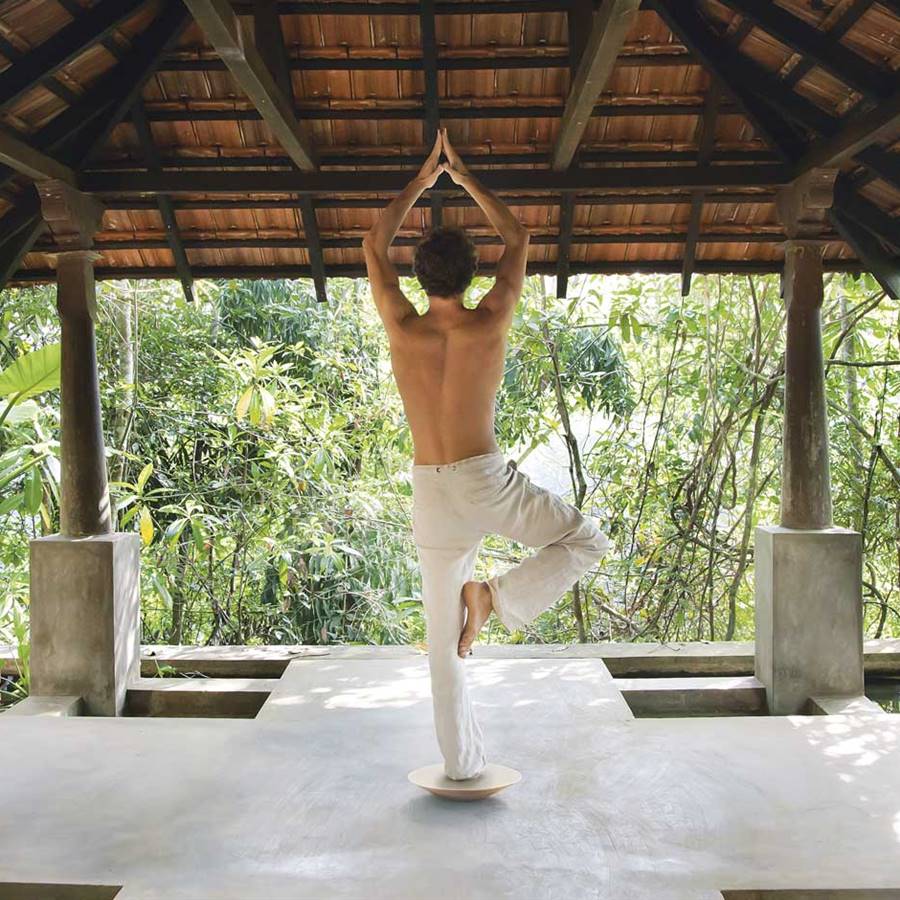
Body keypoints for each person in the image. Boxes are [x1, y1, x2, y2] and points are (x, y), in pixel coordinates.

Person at [362, 128, 609, 781]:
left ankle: (463, 766)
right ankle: (493, 599)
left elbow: (372, 245)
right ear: (472, 276)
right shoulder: (489, 320)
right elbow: (520, 239)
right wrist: (463, 175)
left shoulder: (401, 324)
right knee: (586, 541)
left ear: (418, 277)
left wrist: (422, 179)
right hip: (485, 481)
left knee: (442, 645)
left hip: (430, 491)